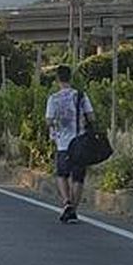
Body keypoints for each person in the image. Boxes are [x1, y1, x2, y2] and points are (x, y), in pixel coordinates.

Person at [45, 65, 94, 223]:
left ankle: (66, 202)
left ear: (57, 79)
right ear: (70, 78)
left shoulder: (53, 98)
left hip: (63, 143)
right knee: (78, 177)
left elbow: (48, 120)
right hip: (80, 141)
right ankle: (73, 209)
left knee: (62, 174)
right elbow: (92, 117)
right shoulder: (80, 96)